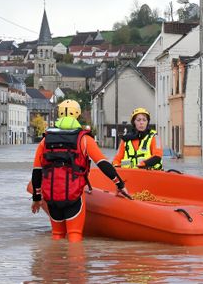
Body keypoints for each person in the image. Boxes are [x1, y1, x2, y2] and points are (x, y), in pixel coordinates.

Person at [30, 99, 131, 242]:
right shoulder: (84, 139)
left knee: (57, 236)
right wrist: (120, 185)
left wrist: (36, 198)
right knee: (74, 236)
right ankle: (75, 264)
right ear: (77, 114)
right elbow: (103, 164)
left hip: (52, 196)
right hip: (74, 196)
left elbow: (37, 171)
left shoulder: (45, 140)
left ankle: (53, 263)